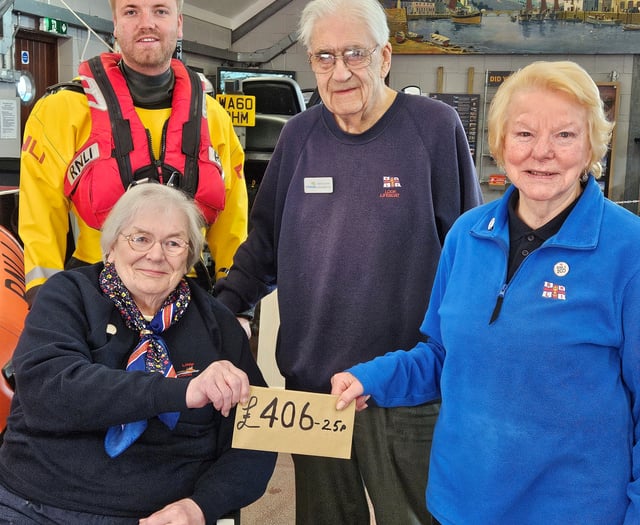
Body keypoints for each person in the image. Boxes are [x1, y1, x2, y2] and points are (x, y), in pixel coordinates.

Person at [331, 60, 640, 524]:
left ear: (593, 143)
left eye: (565, 135)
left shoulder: (628, 249)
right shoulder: (466, 234)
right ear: (499, 143)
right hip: (461, 502)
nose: (542, 152)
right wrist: (374, 377)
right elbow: (442, 355)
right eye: (524, 134)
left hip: (573, 510)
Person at [213, 0, 482, 523]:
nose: (339, 72)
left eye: (354, 54)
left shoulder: (434, 128)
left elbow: (468, 259)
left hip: (409, 391)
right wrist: (221, 315)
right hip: (315, 391)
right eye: (324, 57)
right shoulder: (299, 136)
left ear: (384, 58)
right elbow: (264, 243)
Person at [0, 183, 276, 524]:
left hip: (164, 514)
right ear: (111, 247)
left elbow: (258, 437)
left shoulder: (216, 324)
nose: (156, 255)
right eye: (140, 239)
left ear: (189, 256)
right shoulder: (67, 295)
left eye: (173, 243)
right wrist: (184, 391)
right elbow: (53, 390)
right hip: (41, 505)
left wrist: (201, 506)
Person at [18, 0, 248, 306]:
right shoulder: (61, 111)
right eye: (131, 11)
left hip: (187, 296)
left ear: (179, 24)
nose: (146, 23)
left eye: (160, 11)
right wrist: (45, 301)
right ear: (114, 22)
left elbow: (233, 220)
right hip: (94, 296)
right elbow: (40, 216)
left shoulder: (214, 118)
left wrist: (235, 302)